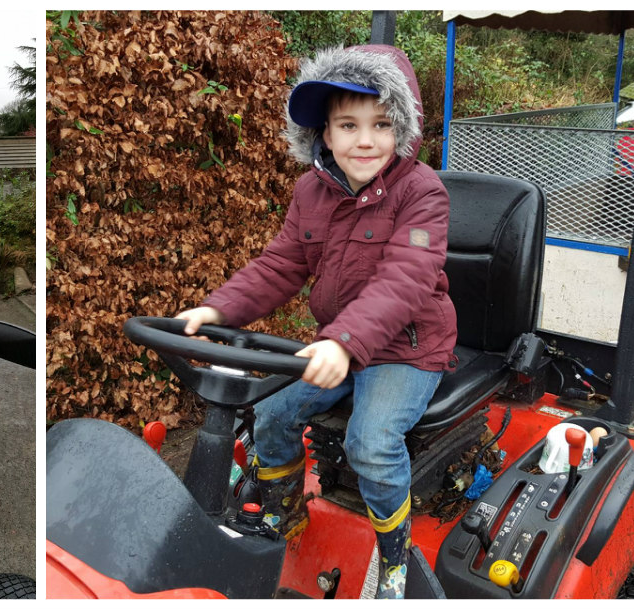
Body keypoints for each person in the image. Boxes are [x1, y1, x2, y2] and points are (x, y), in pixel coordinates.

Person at [175, 45, 457, 599]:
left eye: (382, 124)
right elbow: (280, 265)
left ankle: (394, 558)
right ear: (324, 133)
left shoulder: (423, 193)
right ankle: (283, 512)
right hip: (339, 344)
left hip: (407, 348)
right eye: (348, 125)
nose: (365, 140)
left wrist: (343, 343)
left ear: (403, 128)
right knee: (270, 414)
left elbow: (405, 279)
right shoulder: (311, 191)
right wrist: (216, 308)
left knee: (370, 443)